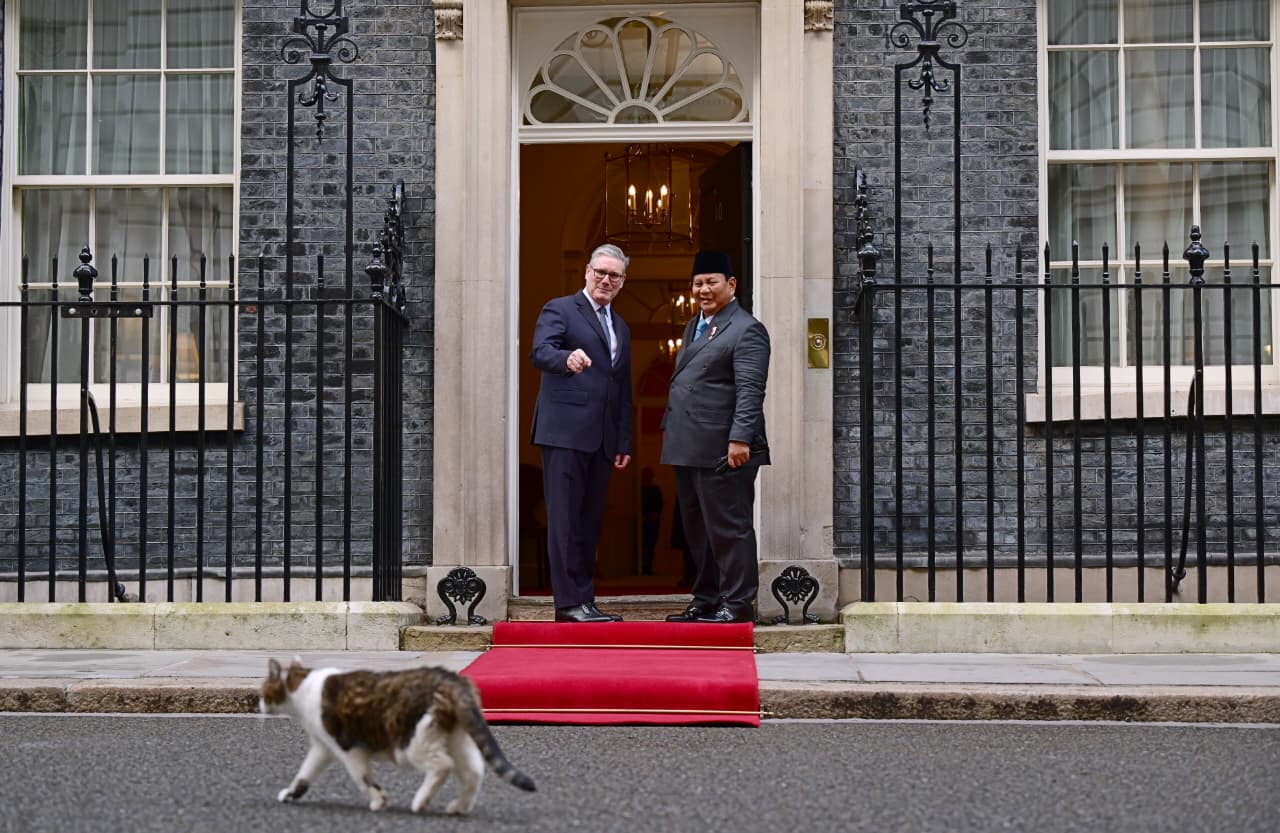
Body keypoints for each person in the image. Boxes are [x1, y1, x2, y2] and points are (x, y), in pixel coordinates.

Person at [660, 250, 770, 624]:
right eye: (698, 283)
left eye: (711, 282)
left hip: (724, 448)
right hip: (689, 445)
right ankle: (706, 598)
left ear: (731, 285)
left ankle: (737, 603)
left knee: (729, 528)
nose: (703, 290)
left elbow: (750, 389)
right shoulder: (695, 325)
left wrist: (740, 439)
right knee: (697, 530)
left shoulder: (746, 328)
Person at [530, 243, 633, 623]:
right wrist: (565, 358)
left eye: (614, 275)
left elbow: (622, 389)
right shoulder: (560, 309)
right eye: (600, 272)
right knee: (565, 521)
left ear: (623, 281)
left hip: (602, 439)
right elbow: (540, 351)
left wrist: (623, 440)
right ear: (587, 272)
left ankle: (584, 600)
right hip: (564, 433)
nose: (606, 280)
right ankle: (568, 603)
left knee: (589, 523)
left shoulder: (620, 326)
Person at [639, 467, 664, 576]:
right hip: (641, 522)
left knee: (650, 545)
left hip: (653, 522)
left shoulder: (655, 489)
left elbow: (660, 504)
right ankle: (640, 567)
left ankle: (647, 567)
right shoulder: (638, 489)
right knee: (641, 545)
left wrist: (655, 514)